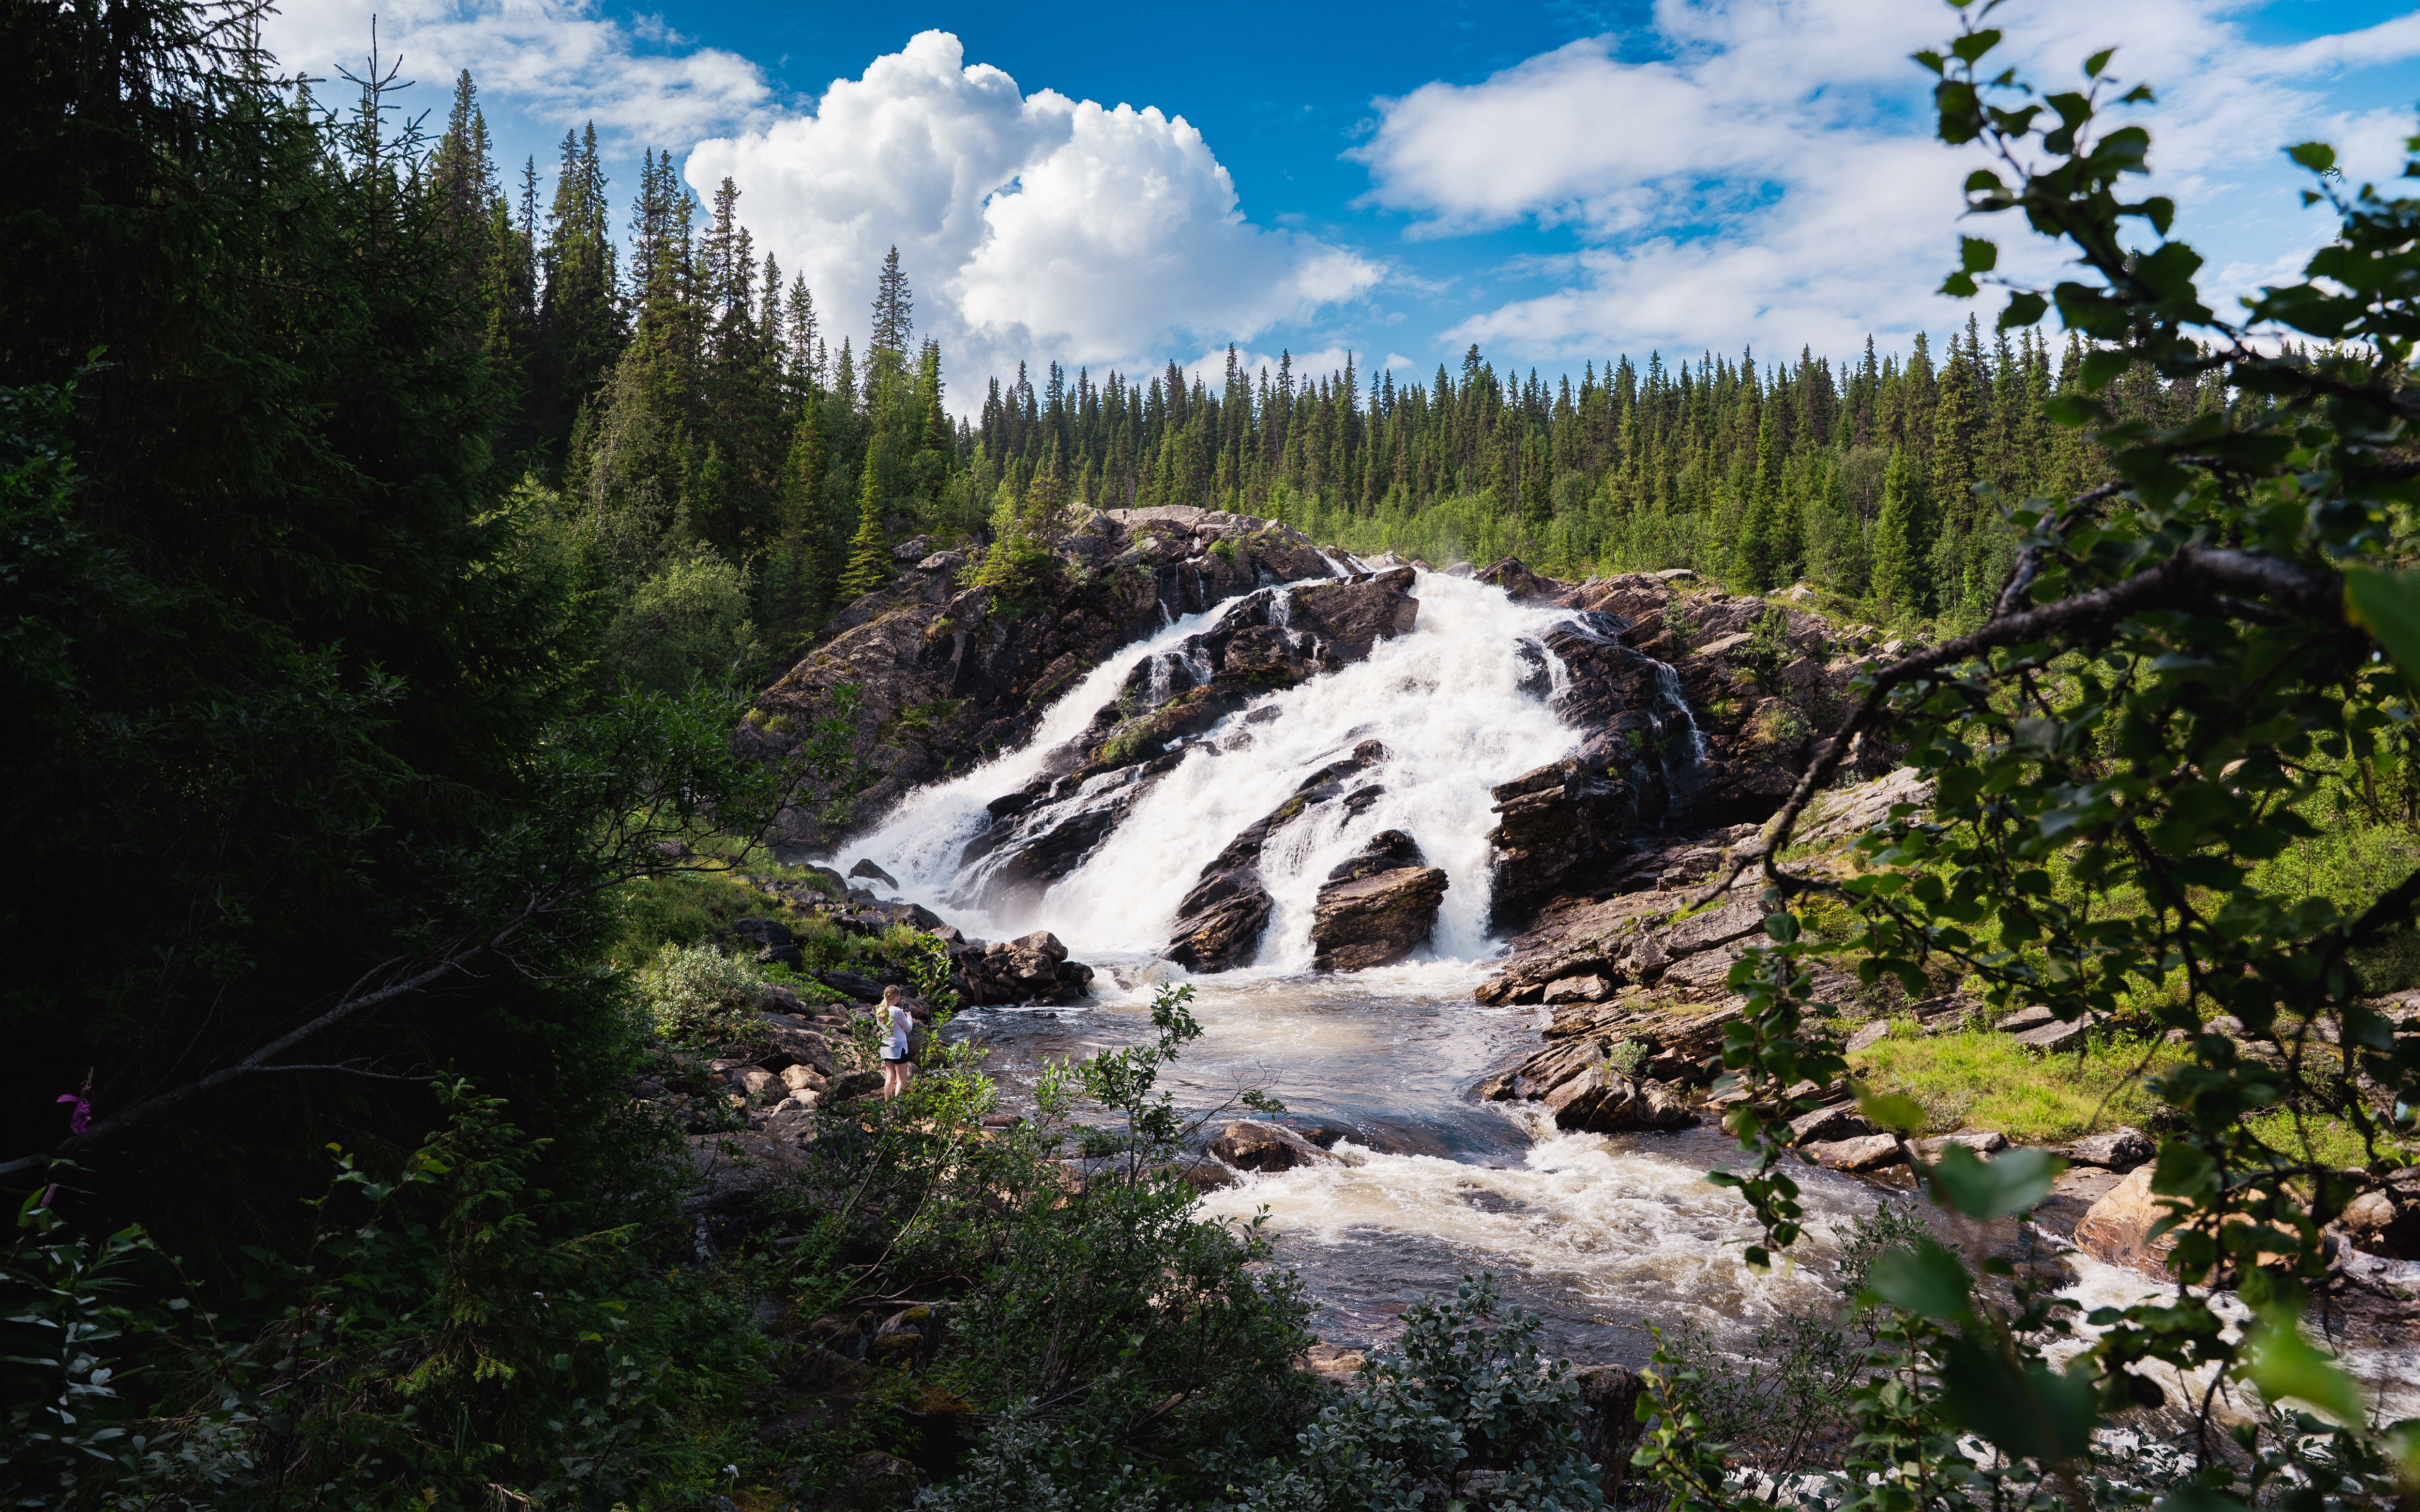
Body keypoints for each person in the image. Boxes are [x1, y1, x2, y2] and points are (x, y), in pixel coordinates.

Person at [878, 985, 916, 1099]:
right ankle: (897, 1109)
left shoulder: (879, 1010)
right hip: (898, 1048)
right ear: (896, 996)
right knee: (902, 1080)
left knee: (890, 1078)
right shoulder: (897, 1011)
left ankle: (889, 1109)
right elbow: (908, 1028)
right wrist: (909, 1017)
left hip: (886, 1047)